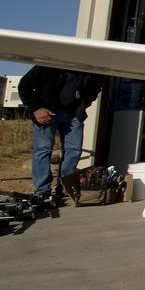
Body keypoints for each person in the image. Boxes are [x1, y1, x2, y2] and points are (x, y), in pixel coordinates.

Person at [18, 66, 104, 198]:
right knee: (43, 149)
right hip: (47, 110)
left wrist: (85, 103)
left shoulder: (89, 69)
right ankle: (42, 189)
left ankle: (65, 185)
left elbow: (96, 86)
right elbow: (24, 85)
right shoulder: (49, 65)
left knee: (74, 149)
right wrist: (36, 108)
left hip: (73, 112)